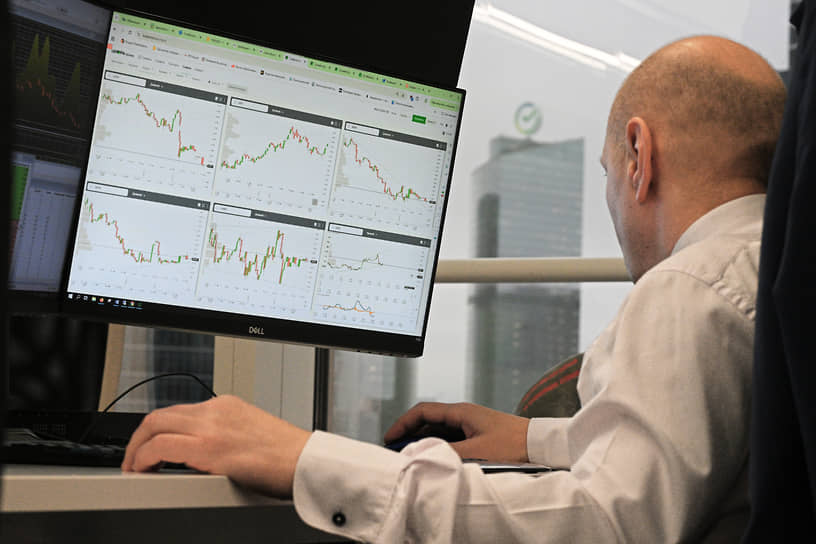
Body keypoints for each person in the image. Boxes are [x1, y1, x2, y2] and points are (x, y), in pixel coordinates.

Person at [122, 35, 786, 542]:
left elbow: (605, 523)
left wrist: (304, 458)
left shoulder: (688, 286)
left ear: (640, 156)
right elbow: (688, 456)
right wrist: (533, 439)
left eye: (608, 174)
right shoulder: (766, 272)